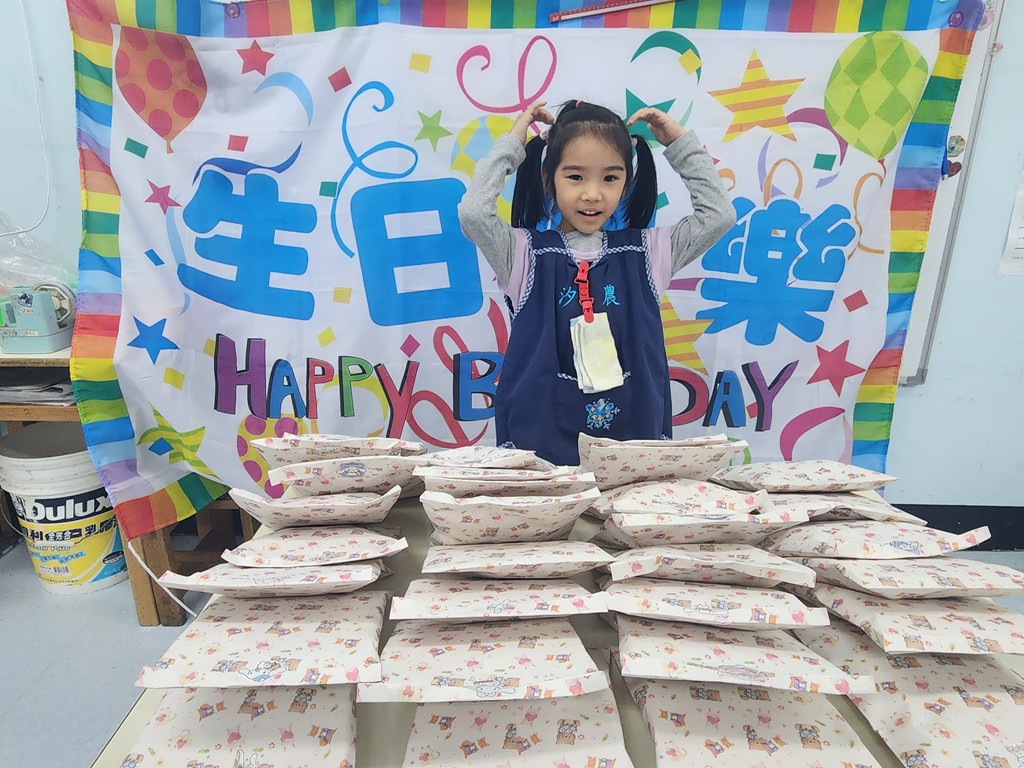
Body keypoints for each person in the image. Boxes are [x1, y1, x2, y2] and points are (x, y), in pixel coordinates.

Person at [458, 98, 735, 465]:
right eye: (575, 176)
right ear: (548, 179)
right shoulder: (521, 253)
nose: (592, 193)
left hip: (630, 447)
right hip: (538, 449)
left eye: (610, 178)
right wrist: (513, 143)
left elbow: (719, 215)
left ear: (627, 182)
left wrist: (679, 144)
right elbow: (474, 214)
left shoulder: (649, 252)